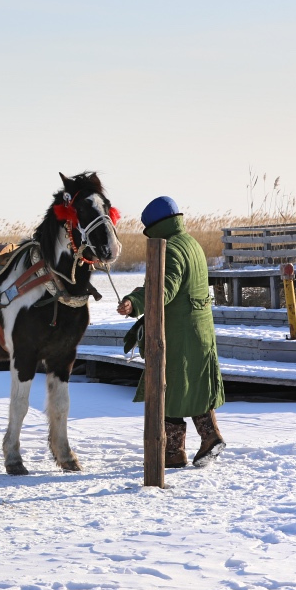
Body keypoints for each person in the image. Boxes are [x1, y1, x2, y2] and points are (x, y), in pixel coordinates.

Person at [117, 196, 226, 468]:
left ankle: (183, 448)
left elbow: (163, 289)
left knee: (166, 389)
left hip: (178, 335)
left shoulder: (171, 248)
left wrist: (135, 302)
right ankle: (197, 441)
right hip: (198, 331)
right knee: (189, 389)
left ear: (155, 227)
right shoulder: (191, 243)